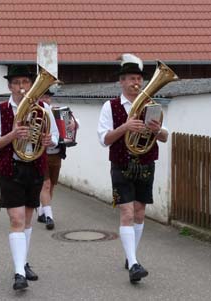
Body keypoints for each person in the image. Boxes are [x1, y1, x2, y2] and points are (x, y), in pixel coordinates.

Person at [97, 54, 168, 284]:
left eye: (138, 78)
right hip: (121, 164)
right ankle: (135, 264)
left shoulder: (151, 105)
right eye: (130, 78)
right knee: (127, 213)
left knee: (139, 212)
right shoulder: (111, 106)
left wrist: (156, 130)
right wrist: (125, 127)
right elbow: (104, 139)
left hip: (146, 164)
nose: (135, 82)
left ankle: (131, 257)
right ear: (121, 81)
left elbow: (166, 137)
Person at [0, 66, 59, 290]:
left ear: (31, 85)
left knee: (27, 221)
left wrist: (50, 141)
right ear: (9, 86)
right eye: (16, 83)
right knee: (17, 220)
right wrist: (12, 135)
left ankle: (23, 263)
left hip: (35, 167)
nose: (21, 87)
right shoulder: (0, 110)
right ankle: (19, 273)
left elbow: (55, 137)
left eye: (25, 82)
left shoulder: (43, 108)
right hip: (12, 169)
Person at [36, 90, 75, 230]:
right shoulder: (37, 113)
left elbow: (74, 122)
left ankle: (42, 211)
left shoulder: (59, 112)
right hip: (42, 153)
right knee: (45, 184)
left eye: (48, 97)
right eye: (43, 96)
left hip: (56, 153)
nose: (46, 99)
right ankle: (49, 217)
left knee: (51, 185)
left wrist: (73, 124)